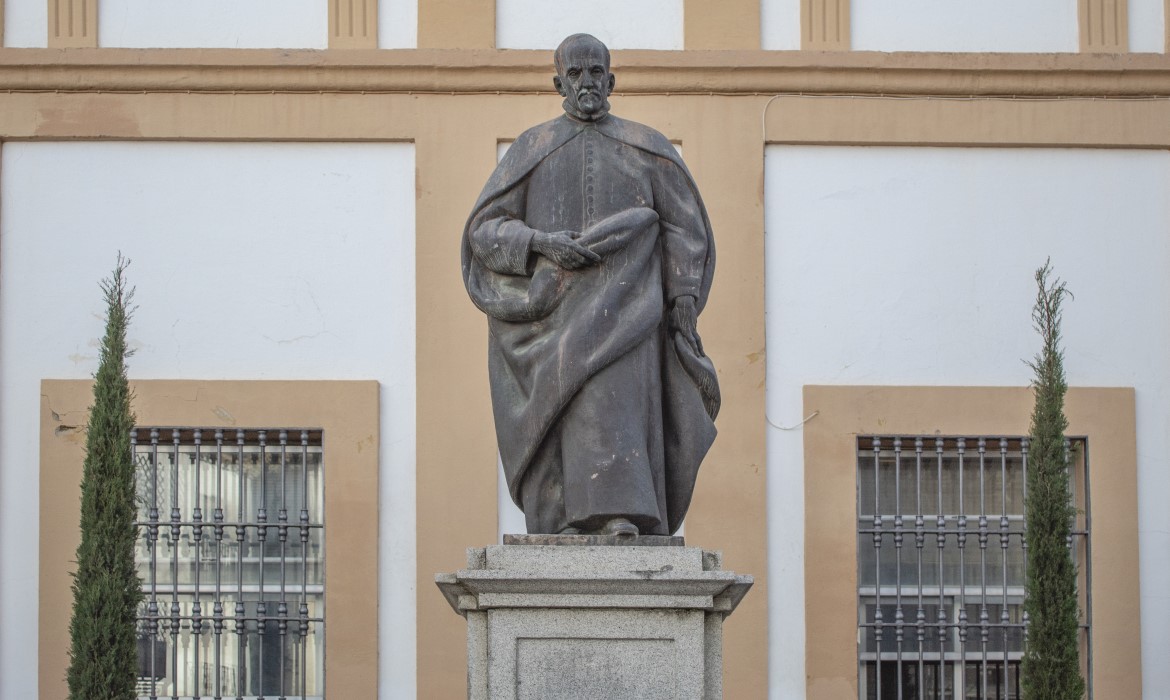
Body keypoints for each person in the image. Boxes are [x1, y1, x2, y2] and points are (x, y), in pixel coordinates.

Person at [461, 33, 719, 538]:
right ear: (558, 82)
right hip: (552, 315)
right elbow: (485, 231)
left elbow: (684, 225)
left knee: (616, 403)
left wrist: (683, 294)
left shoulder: (647, 147)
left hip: (630, 308)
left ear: (611, 79)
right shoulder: (532, 148)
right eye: (575, 74)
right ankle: (562, 519)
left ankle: (618, 514)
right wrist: (539, 242)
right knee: (564, 406)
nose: (586, 83)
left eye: (595, 73)